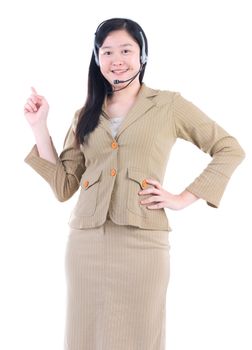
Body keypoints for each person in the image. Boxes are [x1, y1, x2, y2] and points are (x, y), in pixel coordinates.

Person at [24, 17, 245, 350]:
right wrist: (39, 127)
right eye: (107, 51)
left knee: (142, 337)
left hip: (144, 243)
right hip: (87, 245)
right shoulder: (84, 114)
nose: (117, 59)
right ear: (97, 59)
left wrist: (183, 198)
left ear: (142, 55)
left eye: (126, 49)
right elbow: (64, 186)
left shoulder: (168, 105)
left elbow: (229, 149)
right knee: (85, 337)